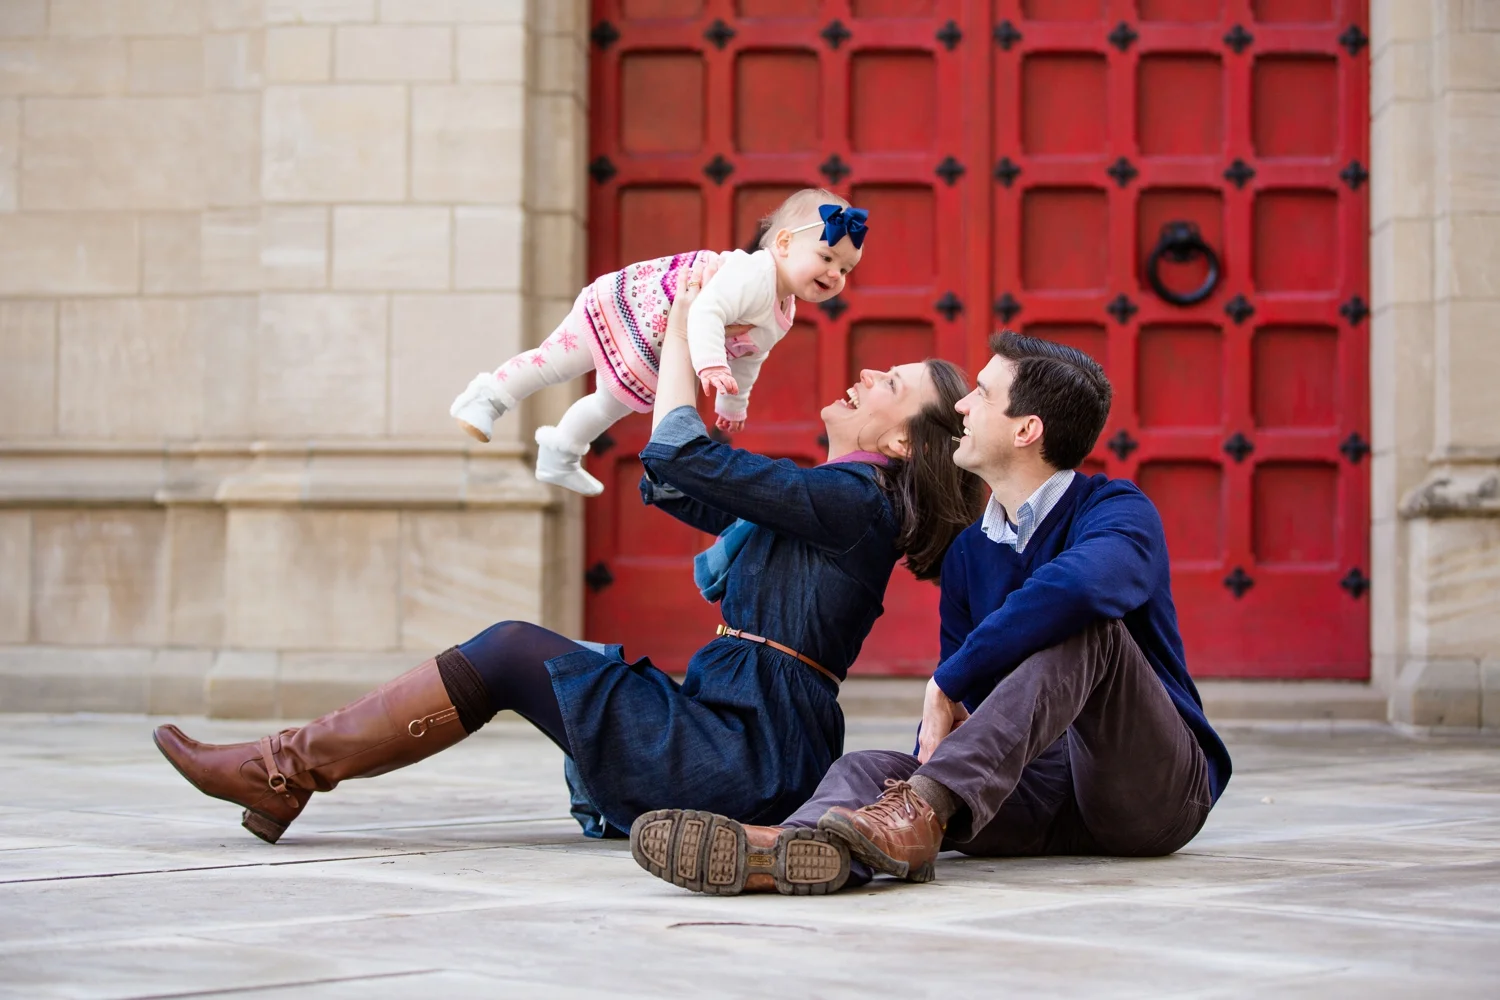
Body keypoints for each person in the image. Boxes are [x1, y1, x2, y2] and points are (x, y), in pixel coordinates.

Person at [151, 263, 982, 856]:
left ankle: (284, 770)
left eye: (893, 384)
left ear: (903, 440)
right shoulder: (836, 496)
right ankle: (283, 774)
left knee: (515, 648)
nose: (869, 372)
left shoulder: (854, 500)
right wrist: (648, 382)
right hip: (744, 733)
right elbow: (690, 488)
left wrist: (691, 327)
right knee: (563, 661)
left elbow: (682, 460)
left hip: (744, 750)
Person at [631, 332, 1233, 896]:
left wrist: (950, 678)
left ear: (1026, 429)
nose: (964, 406)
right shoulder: (972, 552)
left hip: (1146, 796)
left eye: (982, 394)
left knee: (1089, 629)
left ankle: (917, 815)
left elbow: (1077, 588)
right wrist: (934, 738)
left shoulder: (1117, 511)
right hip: (1037, 795)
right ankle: (791, 849)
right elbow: (964, 711)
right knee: (869, 767)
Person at [448, 187, 868, 496]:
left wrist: (731, 404)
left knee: (611, 403)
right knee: (556, 362)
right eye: (827, 258)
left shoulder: (783, 309)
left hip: (655, 342)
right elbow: (706, 312)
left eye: (846, 269)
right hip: (627, 308)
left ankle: (560, 452)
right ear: (783, 243)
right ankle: (487, 398)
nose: (835, 274)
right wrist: (709, 366)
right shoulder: (753, 274)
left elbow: (749, 357)